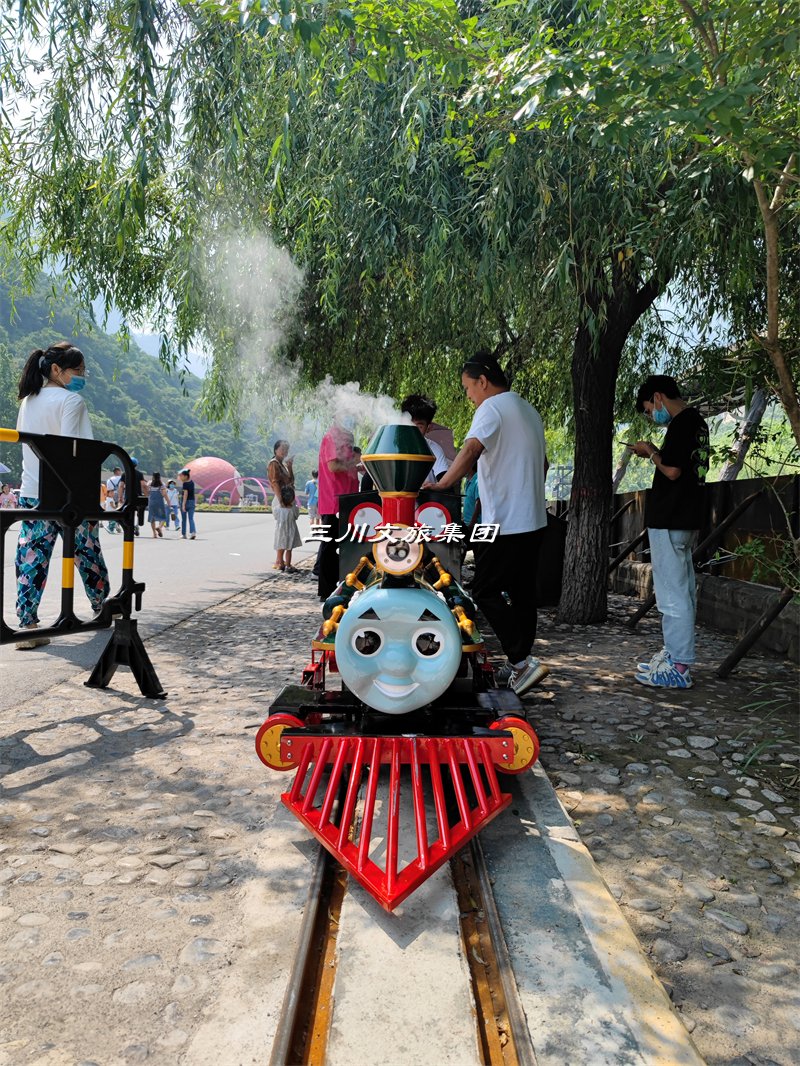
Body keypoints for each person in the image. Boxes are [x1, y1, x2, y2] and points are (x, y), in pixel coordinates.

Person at [437, 352, 549, 695]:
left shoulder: (491, 408)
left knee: (484, 590)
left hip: (505, 523)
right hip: (534, 519)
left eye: (468, 388)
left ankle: (522, 661)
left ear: (482, 381)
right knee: (521, 593)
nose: (469, 396)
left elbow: (470, 451)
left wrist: (442, 486)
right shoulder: (528, 410)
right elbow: (543, 465)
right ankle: (519, 666)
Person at [13, 341, 110, 650]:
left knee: (32, 556)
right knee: (87, 551)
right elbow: (74, 451)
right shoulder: (72, 401)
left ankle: (27, 625)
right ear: (57, 370)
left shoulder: (28, 401)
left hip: (32, 491)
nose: (82, 376)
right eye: (78, 370)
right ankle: (101, 607)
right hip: (69, 494)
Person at [629, 375, 710, 689]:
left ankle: (678, 665)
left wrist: (650, 452)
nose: (652, 415)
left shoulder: (681, 423)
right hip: (686, 517)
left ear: (658, 396)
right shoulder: (697, 423)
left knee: (672, 594)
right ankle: (676, 654)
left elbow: (673, 470)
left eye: (650, 409)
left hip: (670, 517)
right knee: (683, 590)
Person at [317, 420, 360, 599]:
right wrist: (355, 464)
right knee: (330, 546)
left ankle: (342, 588)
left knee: (345, 546)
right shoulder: (331, 438)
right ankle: (327, 592)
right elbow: (333, 466)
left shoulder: (346, 439)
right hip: (334, 500)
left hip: (348, 498)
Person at [268, 439, 302, 571]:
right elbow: (275, 483)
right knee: (283, 530)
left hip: (287, 500)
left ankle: (282, 561)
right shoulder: (274, 464)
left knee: (287, 530)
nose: (284, 451)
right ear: (276, 449)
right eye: (282, 449)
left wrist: (290, 466)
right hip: (282, 500)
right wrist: (281, 501)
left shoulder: (281, 464)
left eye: (286, 449)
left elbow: (291, 481)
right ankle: (279, 561)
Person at [400, 394, 451, 481]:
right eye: (410, 424)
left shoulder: (434, 450)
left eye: (419, 426)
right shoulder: (393, 447)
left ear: (428, 428)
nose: (413, 430)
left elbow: (444, 482)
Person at [147, 472, 169, 538]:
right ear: (159, 477)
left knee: (152, 518)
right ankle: (159, 527)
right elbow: (164, 494)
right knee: (163, 516)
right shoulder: (162, 484)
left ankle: (154, 534)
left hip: (151, 502)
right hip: (159, 502)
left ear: (153, 476)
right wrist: (168, 502)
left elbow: (147, 491)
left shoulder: (149, 483)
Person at [179, 468, 196, 539]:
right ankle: (193, 532)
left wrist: (183, 505)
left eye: (181, 476)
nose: (180, 477)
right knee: (191, 518)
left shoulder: (185, 484)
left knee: (184, 519)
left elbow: (185, 494)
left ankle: (184, 534)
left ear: (186, 476)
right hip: (192, 501)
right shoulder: (192, 482)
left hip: (185, 502)